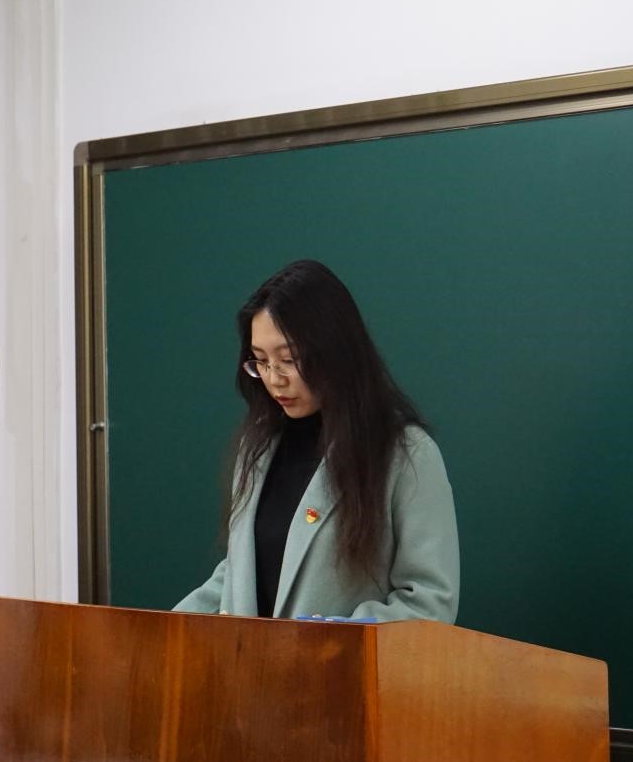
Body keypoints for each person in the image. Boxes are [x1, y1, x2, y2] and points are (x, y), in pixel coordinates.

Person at [174, 260, 459, 623]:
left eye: (289, 359)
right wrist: (166, 629)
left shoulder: (405, 455)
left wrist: (336, 637)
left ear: (335, 351)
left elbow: (430, 602)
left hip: (344, 661)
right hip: (249, 661)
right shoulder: (258, 447)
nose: (274, 379)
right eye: (260, 361)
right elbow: (241, 575)